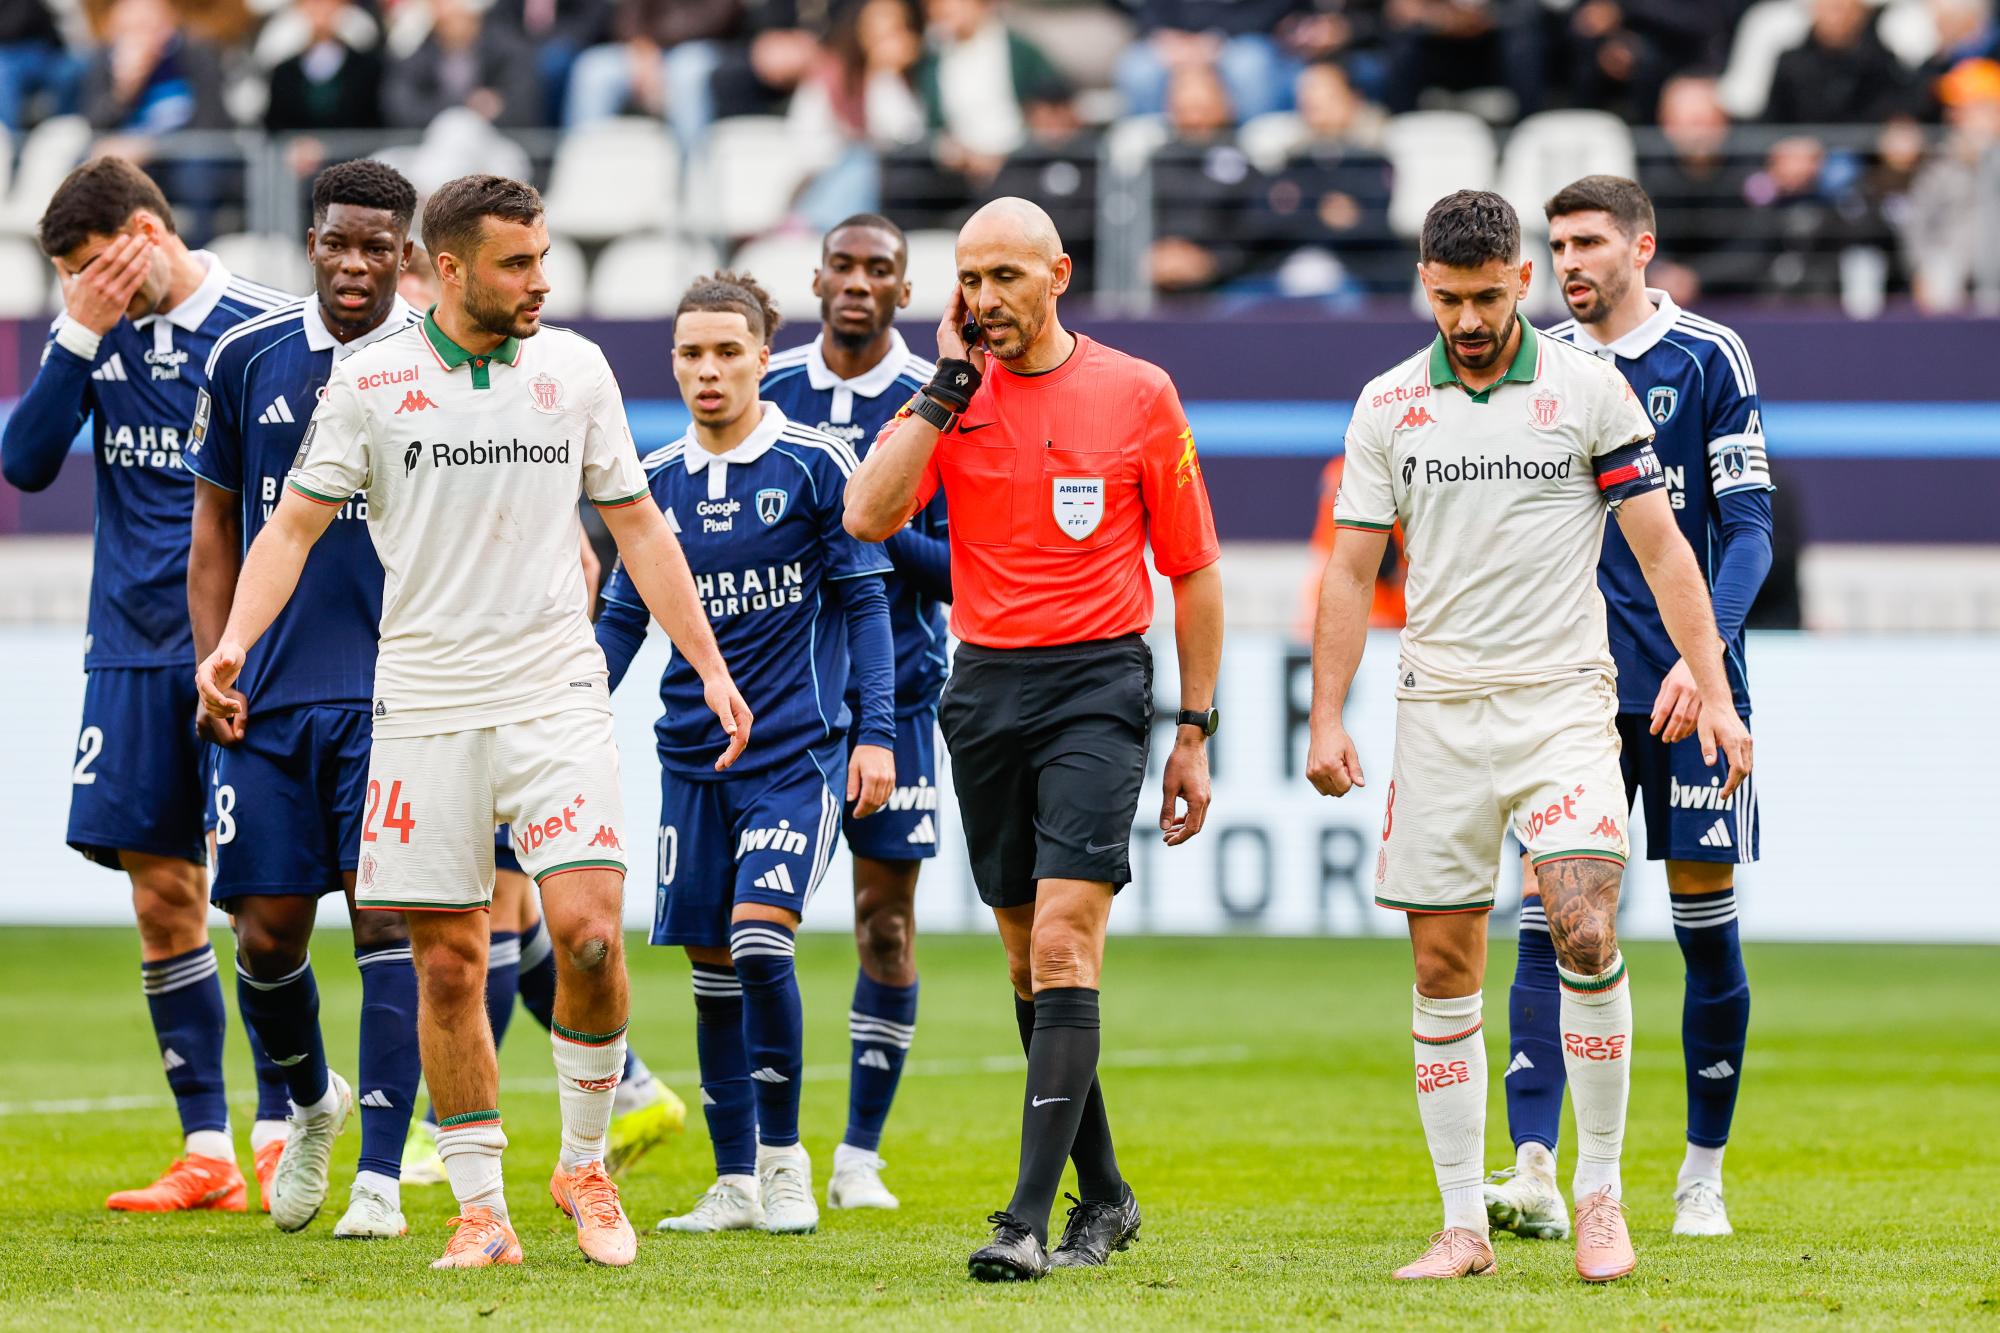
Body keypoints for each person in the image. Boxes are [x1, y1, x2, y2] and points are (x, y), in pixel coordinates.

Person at [194, 173, 753, 1270]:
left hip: (553, 689)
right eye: (517, 263)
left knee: (589, 934)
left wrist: (709, 663)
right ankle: (481, 1210)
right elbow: (289, 528)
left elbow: (640, 528)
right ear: (448, 270)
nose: (541, 280)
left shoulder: (575, 370)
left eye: (544, 257)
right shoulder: (371, 381)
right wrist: (231, 644)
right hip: (424, 702)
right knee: (448, 965)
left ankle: (583, 1165)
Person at [1305, 189, 1752, 1283]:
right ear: (1425, 284)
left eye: (1484, 296)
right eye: (1446, 299)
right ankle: (1464, 1225)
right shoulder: (1386, 404)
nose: (1466, 320)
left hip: (1561, 705)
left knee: (1585, 931)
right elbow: (1351, 572)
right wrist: (1325, 713)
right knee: (1441, 964)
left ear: (1520, 279)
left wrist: (1716, 689)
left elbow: (1665, 551)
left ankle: (1599, 1195)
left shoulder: (1587, 391)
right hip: (1439, 711)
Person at [845, 196, 1224, 1281]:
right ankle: (1105, 1195)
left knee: (1062, 945)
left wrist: (1193, 729)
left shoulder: (1137, 392)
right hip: (982, 689)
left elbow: (1193, 572)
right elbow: (867, 516)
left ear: (1057, 275)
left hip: (1097, 683)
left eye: (1004, 276)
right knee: (1025, 958)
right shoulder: (950, 397)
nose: (983, 299)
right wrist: (941, 389)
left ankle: (1023, 1220)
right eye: (968, 279)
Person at [1481, 175, 1773, 1242]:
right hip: (1572, 695)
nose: (1568, 261)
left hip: (1691, 690)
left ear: (1639, 247)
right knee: (1550, 913)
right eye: (1556, 244)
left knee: (1703, 922)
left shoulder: (1708, 357)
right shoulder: (1540, 366)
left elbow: (1748, 531)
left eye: (1588, 242)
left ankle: (1700, 1174)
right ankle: (1532, 1168)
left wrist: (1708, 656)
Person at [1, 156, 290, 1214]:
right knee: (161, 895)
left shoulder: (262, 329)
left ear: (141, 234)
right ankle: (207, 1147)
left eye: (86, 266)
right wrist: (77, 331)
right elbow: (24, 462)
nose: (77, 287)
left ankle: (284, 1124)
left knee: (260, 899)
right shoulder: (92, 333)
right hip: (128, 650)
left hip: (242, 651)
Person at [600, 271, 894, 1237]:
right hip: (690, 761)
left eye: (728, 351)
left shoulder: (817, 464)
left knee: (762, 942)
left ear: (765, 357)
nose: (709, 369)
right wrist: (568, 718)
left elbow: (866, 602)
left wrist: (878, 732)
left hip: (796, 756)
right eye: (691, 352)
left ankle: (784, 1162)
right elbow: (622, 622)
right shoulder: (651, 479)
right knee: (712, 968)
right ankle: (732, 1181)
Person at [184, 159, 426, 1238]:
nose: (354, 263)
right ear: (312, 241)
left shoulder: (440, 363)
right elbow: (213, 531)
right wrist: (215, 663)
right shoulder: (246, 357)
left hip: (397, 692)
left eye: (377, 246)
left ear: (406, 254)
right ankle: (312, 1100)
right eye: (338, 241)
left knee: (388, 920)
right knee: (266, 936)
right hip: (270, 693)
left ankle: (380, 1175)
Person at [761, 214, 944, 1211]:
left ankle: (859, 1154)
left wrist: (867, 520)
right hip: (780, 703)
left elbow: (958, 567)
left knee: (883, 922)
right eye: (844, 265)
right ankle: (755, 1155)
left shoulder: (936, 400)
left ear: (903, 290)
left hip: (897, 696)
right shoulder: (769, 388)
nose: (859, 282)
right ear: (817, 278)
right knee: (752, 925)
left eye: (880, 269)